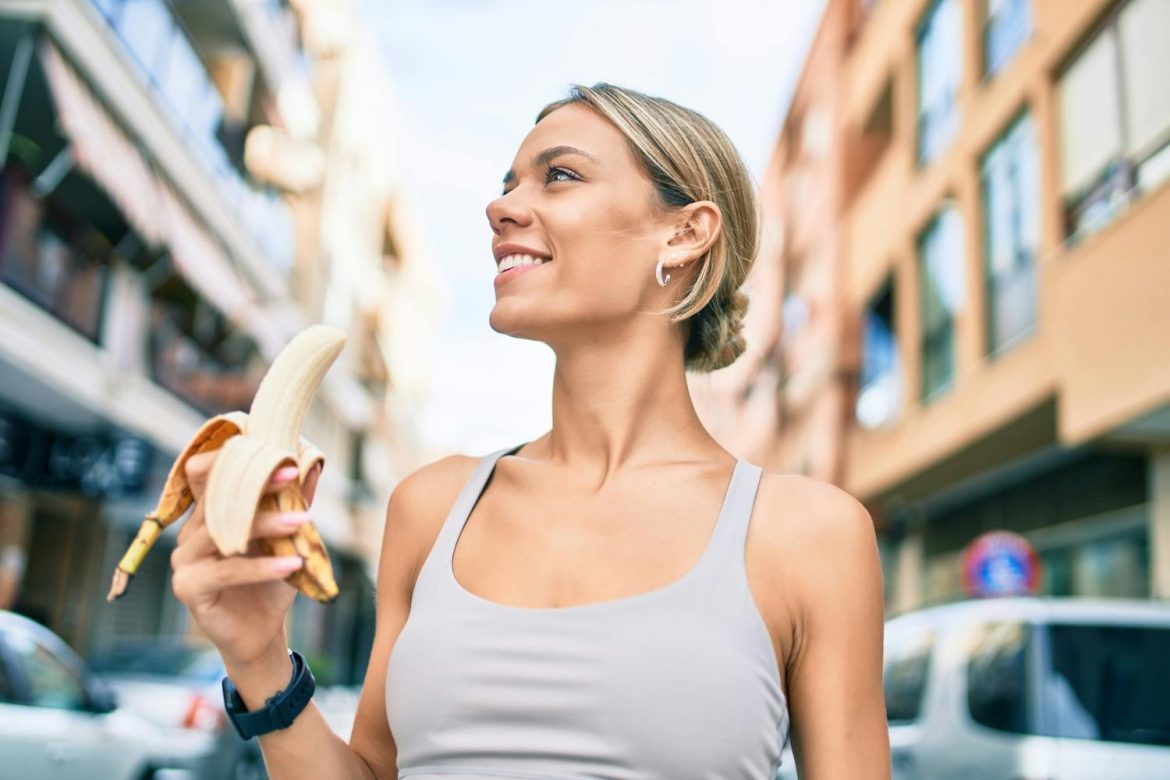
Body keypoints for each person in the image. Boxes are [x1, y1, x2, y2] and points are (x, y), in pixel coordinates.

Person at [170, 83, 890, 779]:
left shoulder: (809, 536)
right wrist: (259, 659)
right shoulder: (432, 507)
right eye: (509, 183)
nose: (501, 206)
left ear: (684, 233)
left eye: (560, 176)